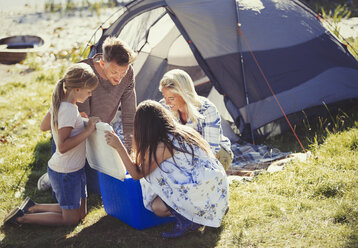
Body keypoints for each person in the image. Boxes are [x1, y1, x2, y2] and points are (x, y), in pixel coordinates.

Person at [105, 100, 229, 238]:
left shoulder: (162, 146)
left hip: (203, 191)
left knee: (156, 195)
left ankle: (189, 219)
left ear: (143, 127)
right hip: (217, 188)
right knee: (159, 167)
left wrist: (119, 147)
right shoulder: (183, 131)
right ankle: (213, 209)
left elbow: (136, 174)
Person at [4, 63, 101, 226]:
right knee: (70, 220)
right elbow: (62, 147)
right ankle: (21, 218)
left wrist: (76, 121)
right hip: (66, 173)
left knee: (81, 214)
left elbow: (44, 126)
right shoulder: (68, 109)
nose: (91, 94)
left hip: (75, 170)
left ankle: (33, 207)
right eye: (89, 91)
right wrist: (87, 129)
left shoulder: (61, 103)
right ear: (77, 89)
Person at [37, 36, 137, 194]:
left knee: (98, 189)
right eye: (114, 72)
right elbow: (83, 119)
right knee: (77, 180)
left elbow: (130, 116)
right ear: (102, 63)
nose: (119, 77)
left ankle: (64, 173)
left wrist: (131, 152)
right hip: (73, 132)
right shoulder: (84, 73)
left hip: (93, 130)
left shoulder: (128, 73)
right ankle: (54, 173)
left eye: (123, 72)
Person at [158, 69, 234, 171]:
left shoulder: (207, 110)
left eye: (171, 98)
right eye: (164, 96)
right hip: (181, 153)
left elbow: (210, 151)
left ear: (184, 94)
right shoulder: (164, 106)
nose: (167, 102)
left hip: (215, 153)